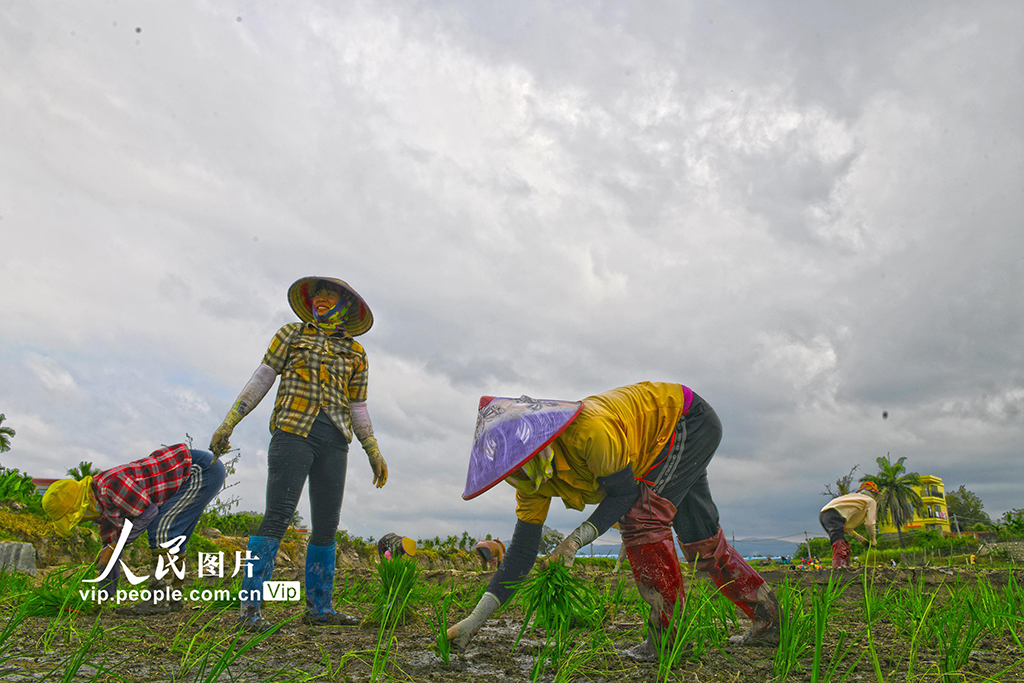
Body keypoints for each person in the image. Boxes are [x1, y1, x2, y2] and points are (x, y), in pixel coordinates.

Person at [447, 382, 781, 661]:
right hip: (654, 452)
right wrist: (474, 621)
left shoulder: (589, 433)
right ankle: (770, 622)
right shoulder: (529, 481)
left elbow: (623, 496)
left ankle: (666, 642)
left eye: (521, 460)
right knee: (701, 541)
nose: (519, 472)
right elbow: (520, 554)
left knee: (642, 521)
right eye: (511, 468)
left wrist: (574, 541)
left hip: (684, 420)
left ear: (535, 439)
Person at [209, 276, 389, 630]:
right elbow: (262, 378)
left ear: (345, 306)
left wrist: (373, 450)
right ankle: (250, 610)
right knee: (277, 515)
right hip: (293, 431)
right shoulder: (291, 334)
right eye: (317, 295)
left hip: (335, 438)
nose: (321, 299)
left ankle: (320, 608)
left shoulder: (355, 352)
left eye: (330, 295)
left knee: (326, 525)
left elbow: (358, 405)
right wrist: (229, 422)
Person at [41, 444, 225, 613]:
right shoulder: (104, 514)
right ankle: (172, 599)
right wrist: (102, 598)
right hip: (192, 477)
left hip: (200, 469)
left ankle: (158, 600)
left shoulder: (110, 486)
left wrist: (114, 547)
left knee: (162, 530)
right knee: (174, 538)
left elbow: (148, 512)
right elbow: (112, 554)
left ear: (81, 506)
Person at [819, 481, 879, 568]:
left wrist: (862, 539)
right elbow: (870, 523)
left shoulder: (852, 500)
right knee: (840, 545)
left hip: (824, 515)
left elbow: (848, 528)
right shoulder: (870, 501)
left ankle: (845, 567)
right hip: (836, 515)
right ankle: (839, 569)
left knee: (843, 543)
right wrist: (873, 540)